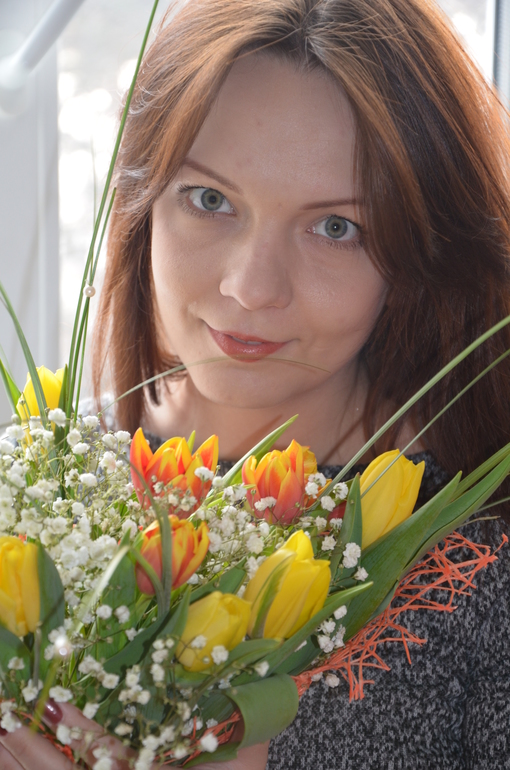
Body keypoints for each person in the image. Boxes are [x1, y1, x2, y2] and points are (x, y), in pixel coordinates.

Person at [1, 0, 509, 767]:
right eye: (210, 200)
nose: (251, 287)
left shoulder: (475, 551)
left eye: (336, 227)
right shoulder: (30, 486)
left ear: (421, 250)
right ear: (142, 203)